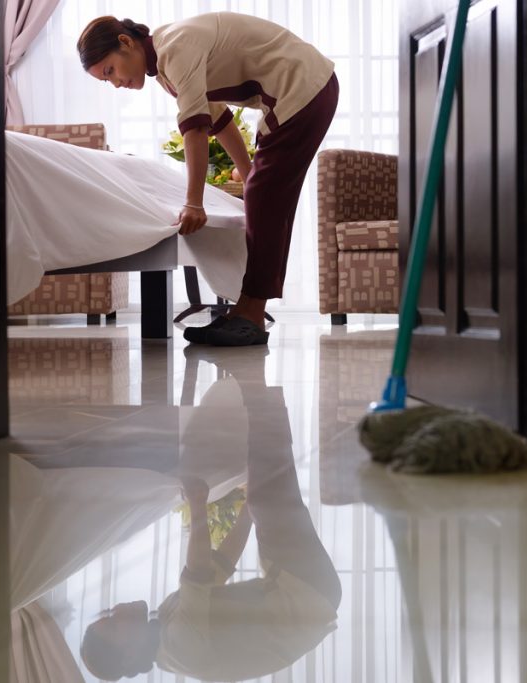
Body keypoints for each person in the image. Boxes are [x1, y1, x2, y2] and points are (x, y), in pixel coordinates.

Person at [77, 12, 339, 346]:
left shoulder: (175, 48)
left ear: (125, 42)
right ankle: (247, 312)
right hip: (305, 89)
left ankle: (251, 316)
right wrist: (248, 178)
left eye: (110, 70)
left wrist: (194, 203)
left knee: (268, 201)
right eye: (105, 80)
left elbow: (197, 129)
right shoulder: (167, 64)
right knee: (265, 197)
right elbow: (221, 121)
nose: (115, 83)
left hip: (304, 87)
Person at [79, 381, 342, 681]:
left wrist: (248, 505)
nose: (115, 610)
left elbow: (222, 563)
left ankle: (263, 392)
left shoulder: (167, 622)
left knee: (267, 488)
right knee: (271, 484)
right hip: (304, 596)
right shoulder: (180, 646)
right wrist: (198, 503)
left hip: (303, 591)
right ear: (127, 654)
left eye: (108, 615)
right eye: (113, 623)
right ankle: (259, 387)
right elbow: (199, 570)